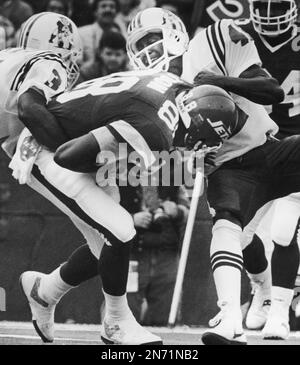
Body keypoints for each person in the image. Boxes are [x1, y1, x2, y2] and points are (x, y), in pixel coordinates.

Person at [126, 6, 300, 345]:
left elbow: (271, 90)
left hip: (268, 148)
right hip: (227, 168)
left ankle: (270, 298)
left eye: (153, 41)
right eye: (141, 44)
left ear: (175, 34)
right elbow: (159, 151)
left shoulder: (214, 39)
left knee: (269, 231)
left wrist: (217, 82)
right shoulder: (146, 90)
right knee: (231, 230)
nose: (148, 51)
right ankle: (231, 316)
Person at [232, 0, 300, 340]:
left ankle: (280, 313)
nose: (271, 17)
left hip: (297, 140)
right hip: (254, 139)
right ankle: (261, 290)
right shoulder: (236, 35)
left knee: (284, 231)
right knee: (238, 230)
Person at [120, 183, 189, 326]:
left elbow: (190, 211)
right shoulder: (120, 171)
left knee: (165, 309)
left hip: (166, 254)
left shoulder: (173, 173)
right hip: (132, 253)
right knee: (124, 308)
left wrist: (177, 211)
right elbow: (104, 210)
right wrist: (131, 219)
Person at [78, 0, 120, 66]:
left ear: (116, 12)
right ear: (95, 12)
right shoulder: (81, 33)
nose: (108, 10)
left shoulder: (119, 34)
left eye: (112, 7)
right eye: (103, 6)